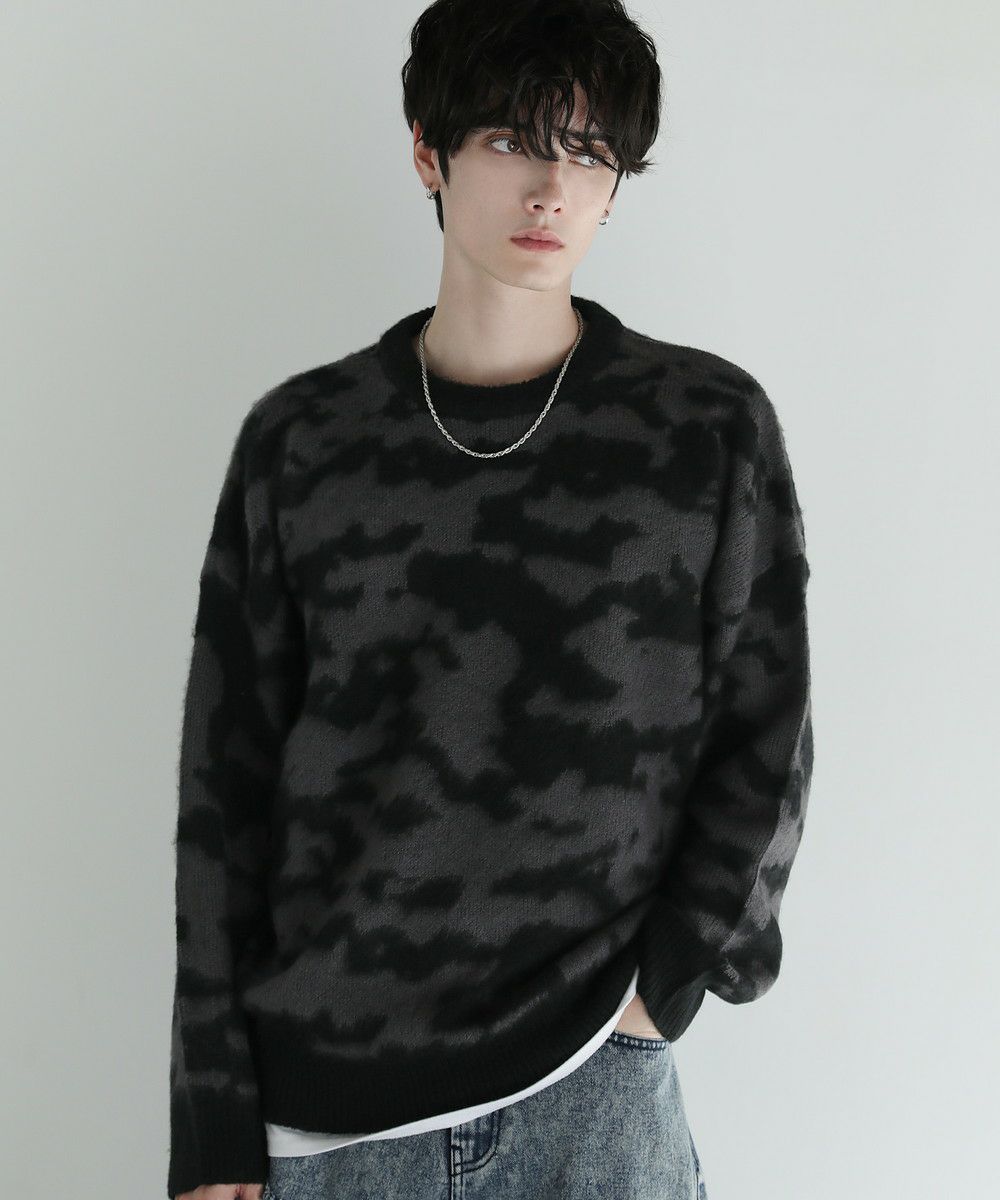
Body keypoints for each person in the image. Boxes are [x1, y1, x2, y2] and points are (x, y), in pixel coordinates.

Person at [167, 2, 811, 1197]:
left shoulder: (702, 429)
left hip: (594, 1083)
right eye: (514, 141)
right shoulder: (304, 442)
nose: (552, 190)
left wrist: (664, 989)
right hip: (336, 1114)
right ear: (429, 151)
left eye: (589, 153)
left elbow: (765, 736)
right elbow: (225, 795)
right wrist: (211, 1122)